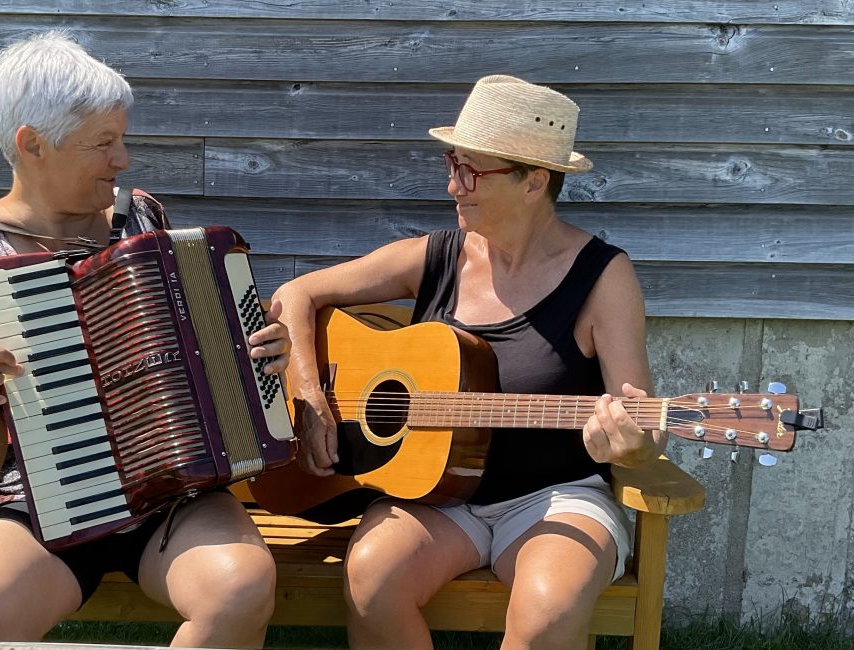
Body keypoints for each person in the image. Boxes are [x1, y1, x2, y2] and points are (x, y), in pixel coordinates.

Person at [0, 32, 289, 649]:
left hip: (174, 492)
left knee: (239, 588)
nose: (122, 159)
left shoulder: (141, 220)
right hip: (40, 504)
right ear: (32, 144)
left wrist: (257, 350)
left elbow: (199, 353)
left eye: (121, 138)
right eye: (102, 143)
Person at [272, 74, 664, 650]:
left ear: (534, 181)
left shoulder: (603, 277)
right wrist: (310, 400)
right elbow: (298, 294)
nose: (453, 185)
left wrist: (629, 447)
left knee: (547, 614)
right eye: (452, 164)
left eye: (471, 171)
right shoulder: (435, 257)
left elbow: (643, 425)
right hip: (433, 498)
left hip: (554, 498)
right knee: (373, 579)